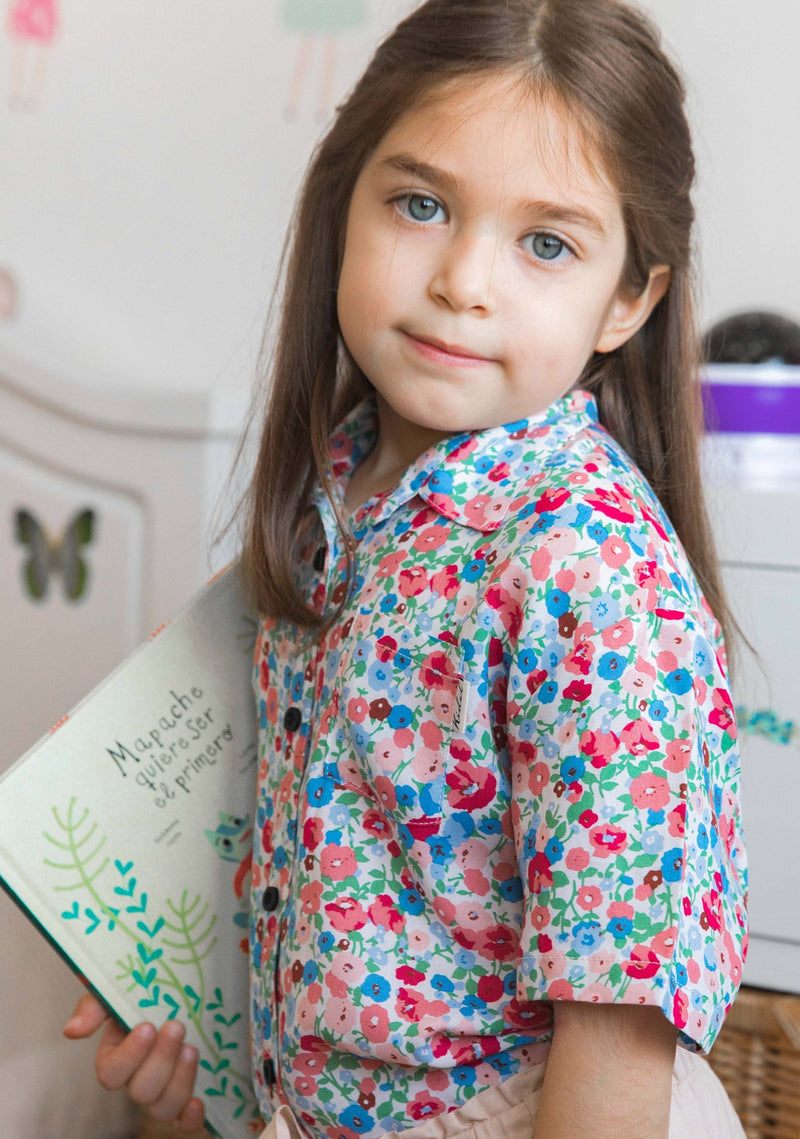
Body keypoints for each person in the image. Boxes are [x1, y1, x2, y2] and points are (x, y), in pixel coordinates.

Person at [63, 1, 749, 1136]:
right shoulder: (337, 496)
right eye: (420, 204)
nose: (463, 280)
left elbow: (616, 1031)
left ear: (627, 299)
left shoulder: (588, 567)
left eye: (546, 242)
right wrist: (185, 1045)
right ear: (344, 205)